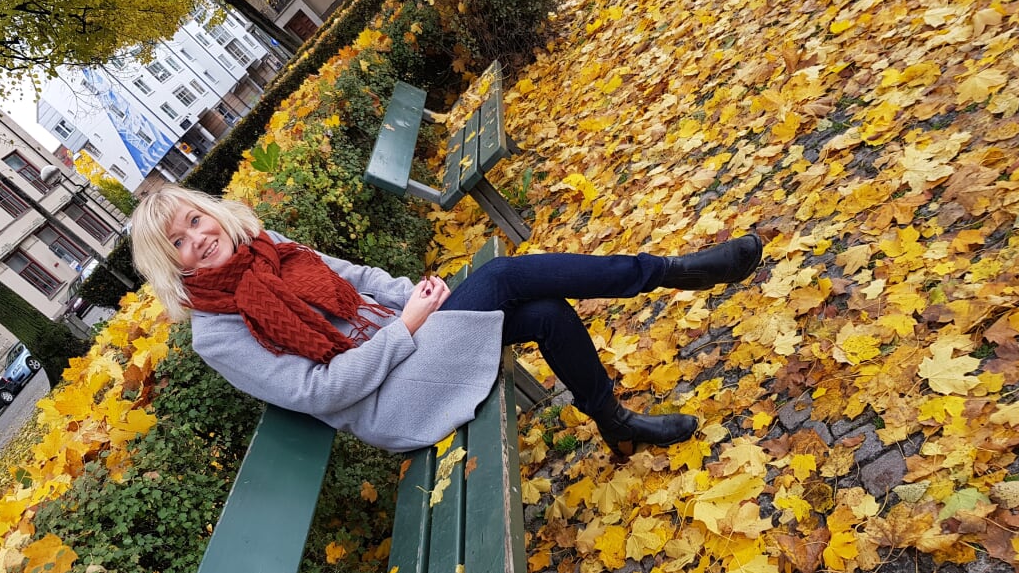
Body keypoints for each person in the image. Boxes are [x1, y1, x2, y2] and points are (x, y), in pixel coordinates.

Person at [130, 185, 763, 457]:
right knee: (503, 276)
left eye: (194, 221)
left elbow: (362, 280)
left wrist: (418, 298)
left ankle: (616, 424)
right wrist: (407, 327)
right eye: (177, 243)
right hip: (389, 401)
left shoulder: (272, 247)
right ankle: (672, 272)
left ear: (211, 213)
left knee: (545, 312)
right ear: (170, 266)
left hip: (412, 343)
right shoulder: (216, 332)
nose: (197, 239)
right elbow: (316, 392)